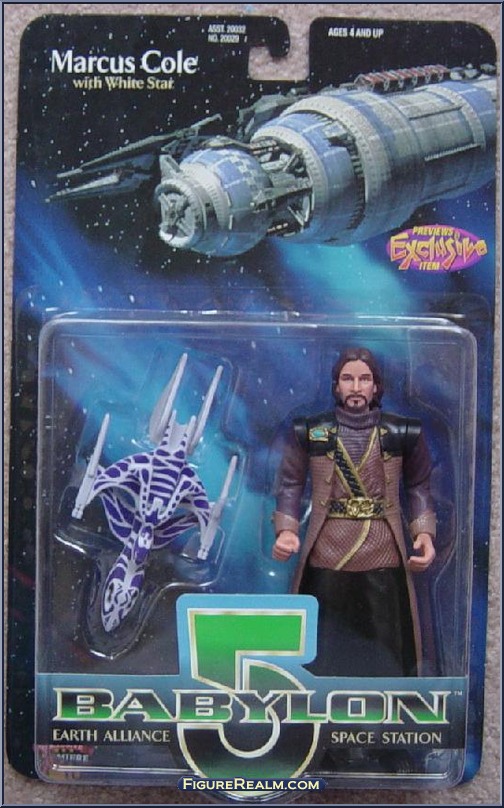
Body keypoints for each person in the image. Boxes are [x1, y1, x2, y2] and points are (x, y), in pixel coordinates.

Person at [272, 347, 436, 676]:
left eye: (365, 379)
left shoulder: (401, 432)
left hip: (381, 545)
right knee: (323, 633)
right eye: (348, 379)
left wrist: (424, 533)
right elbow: (290, 483)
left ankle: (390, 690)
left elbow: (418, 484)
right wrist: (287, 530)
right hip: (328, 545)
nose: (357, 387)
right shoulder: (313, 431)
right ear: (337, 386)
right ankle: (316, 688)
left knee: (386, 633)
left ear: (376, 386)